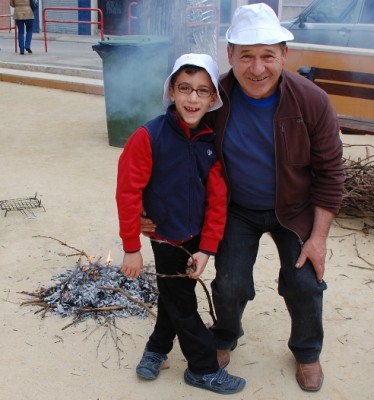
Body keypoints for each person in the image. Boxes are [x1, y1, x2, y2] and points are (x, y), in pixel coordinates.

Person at [142, 4, 345, 393]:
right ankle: (225, 335)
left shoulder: (312, 101)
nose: (257, 68)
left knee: (304, 282)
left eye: (268, 55)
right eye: (246, 56)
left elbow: (331, 173)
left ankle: (306, 350)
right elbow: (171, 147)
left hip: (294, 209)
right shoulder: (215, 99)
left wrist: (318, 237)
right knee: (231, 283)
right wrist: (147, 206)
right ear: (230, 55)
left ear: (284, 55)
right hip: (237, 209)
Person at [116, 53, 245, 395]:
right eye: (185, 88)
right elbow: (128, 192)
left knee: (175, 298)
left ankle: (157, 347)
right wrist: (132, 247)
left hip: (197, 238)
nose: (192, 98)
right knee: (183, 306)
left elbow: (218, 201)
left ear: (213, 98)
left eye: (202, 91)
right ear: (171, 91)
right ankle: (202, 368)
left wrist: (207, 248)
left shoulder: (210, 142)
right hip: (165, 239)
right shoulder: (149, 136)